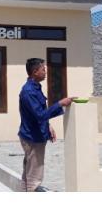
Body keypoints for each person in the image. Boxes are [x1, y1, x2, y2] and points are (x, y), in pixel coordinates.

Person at [18, 57, 75, 192]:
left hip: (34, 133)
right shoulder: (29, 91)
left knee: (29, 171)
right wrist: (60, 104)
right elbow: (40, 115)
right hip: (32, 137)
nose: (45, 72)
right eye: (43, 69)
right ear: (35, 72)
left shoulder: (35, 88)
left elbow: (38, 113)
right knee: (34, 175)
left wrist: (48, 126)